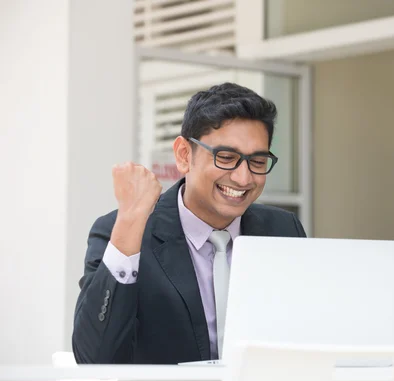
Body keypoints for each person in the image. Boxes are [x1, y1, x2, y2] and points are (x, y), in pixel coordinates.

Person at [72, 83, 306, 364]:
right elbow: (94, 358)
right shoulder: (122, 231)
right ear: (184, 155)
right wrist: (131, 224)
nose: (244, 179)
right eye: (227, 158)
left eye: (257, 161)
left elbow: (303, 333)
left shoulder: (283, 230)